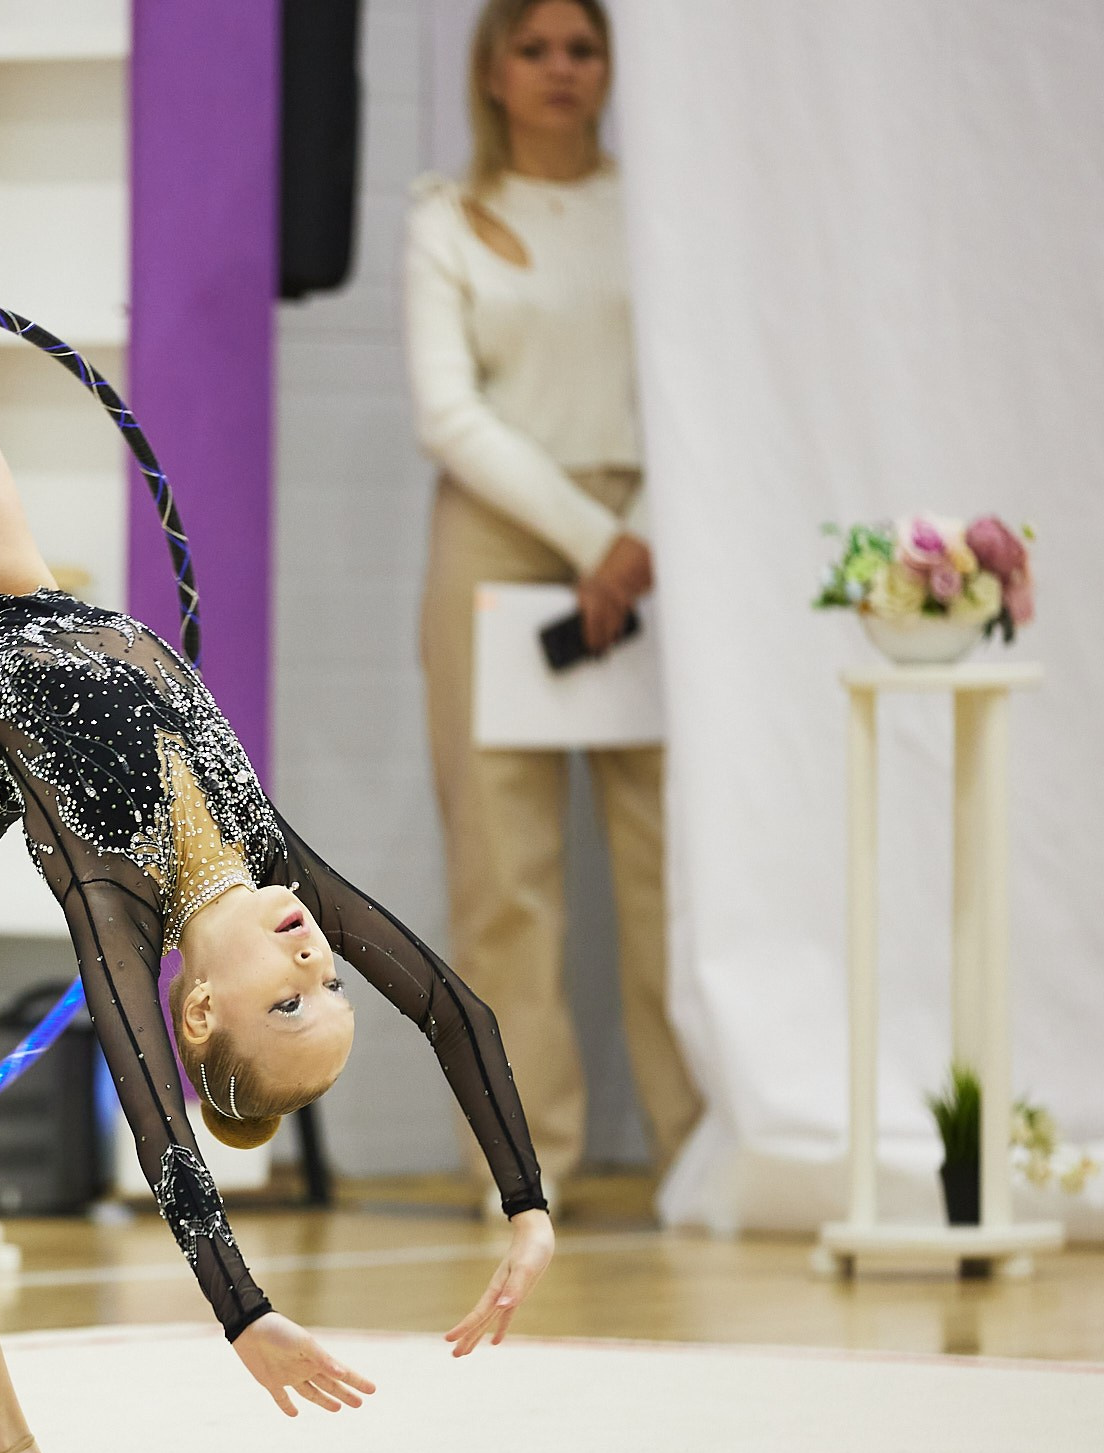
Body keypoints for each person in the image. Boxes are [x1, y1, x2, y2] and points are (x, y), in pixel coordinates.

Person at [0, 0, 554, 1453]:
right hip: (13, 598)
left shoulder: (121, 906)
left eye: (288, 994)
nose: (316, 955)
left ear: (200, 1014)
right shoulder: (269, 860)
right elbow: (451, 1002)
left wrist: (243, 1307)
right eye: (329, 982)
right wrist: (523, 1202)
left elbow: (155, 1123)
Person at [403, 0, 703, 1206]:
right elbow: (447, 413)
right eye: (533, 48)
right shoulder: (444, 216)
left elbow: (699, 375)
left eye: (581, 48)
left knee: (668, 865)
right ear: (491, 69)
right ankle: (526, 1168)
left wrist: (637, 539)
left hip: (655, 536)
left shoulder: (659, 207)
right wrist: (593, 541)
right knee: (505, 872)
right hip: (504, 539)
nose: (559, 69)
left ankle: (699, 1151)